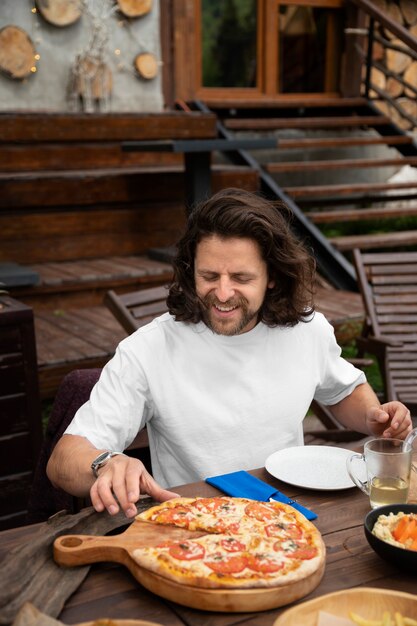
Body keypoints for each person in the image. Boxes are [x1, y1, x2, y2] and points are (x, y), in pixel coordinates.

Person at [47, 188, 412, 519]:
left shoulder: (308, 331)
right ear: (191, 272)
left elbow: (342, 391)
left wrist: (374, 417)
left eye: (240, 278)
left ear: (272, 276)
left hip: (292, 515)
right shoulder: (148, 349)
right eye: (209, 276)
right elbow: (63, 460)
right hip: (197, 527)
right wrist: (104, 463)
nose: (222, 294)